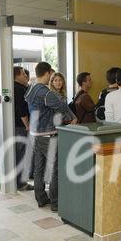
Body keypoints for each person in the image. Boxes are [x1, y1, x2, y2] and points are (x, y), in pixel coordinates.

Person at [25, 62, 77, 211]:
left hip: (35, 134)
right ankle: (56, 203)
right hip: (47, 135)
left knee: (39, 168)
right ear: (47, 73)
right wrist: (73, 117)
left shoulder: (31, 89)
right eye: (51, 75)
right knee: (55, 169)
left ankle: (41, 199)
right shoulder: (45, 92)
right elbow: (61, 105)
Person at [13, 67, 33, 191]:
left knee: (20, 154)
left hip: (19, 126)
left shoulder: (18, 87)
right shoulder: (19, 89)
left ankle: (19, 181)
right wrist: (27, 126)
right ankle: (20, 183)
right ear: (17, 75)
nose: (26, 76)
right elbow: (22, 110)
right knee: (21, 155)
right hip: (21, 127)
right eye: (24, 74)